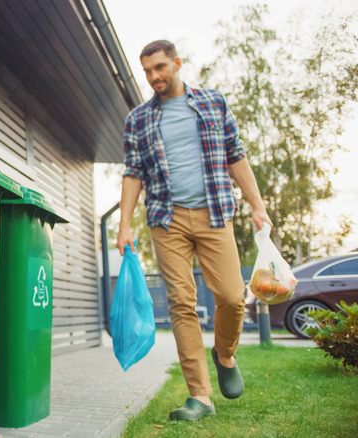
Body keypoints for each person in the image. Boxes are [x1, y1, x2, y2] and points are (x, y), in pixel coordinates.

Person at [116, 40, 272, 421]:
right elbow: (133, 173)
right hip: (166, 220)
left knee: (233, 297)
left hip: (215, 213)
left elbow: (235, 154)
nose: (154, 76)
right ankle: (199, 396)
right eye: (148, 70)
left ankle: (224, 353)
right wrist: (123, 227)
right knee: (181, 304)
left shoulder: (213, 103)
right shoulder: (138, 119)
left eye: (160, 67)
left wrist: (257, 205)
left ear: (177, 64)